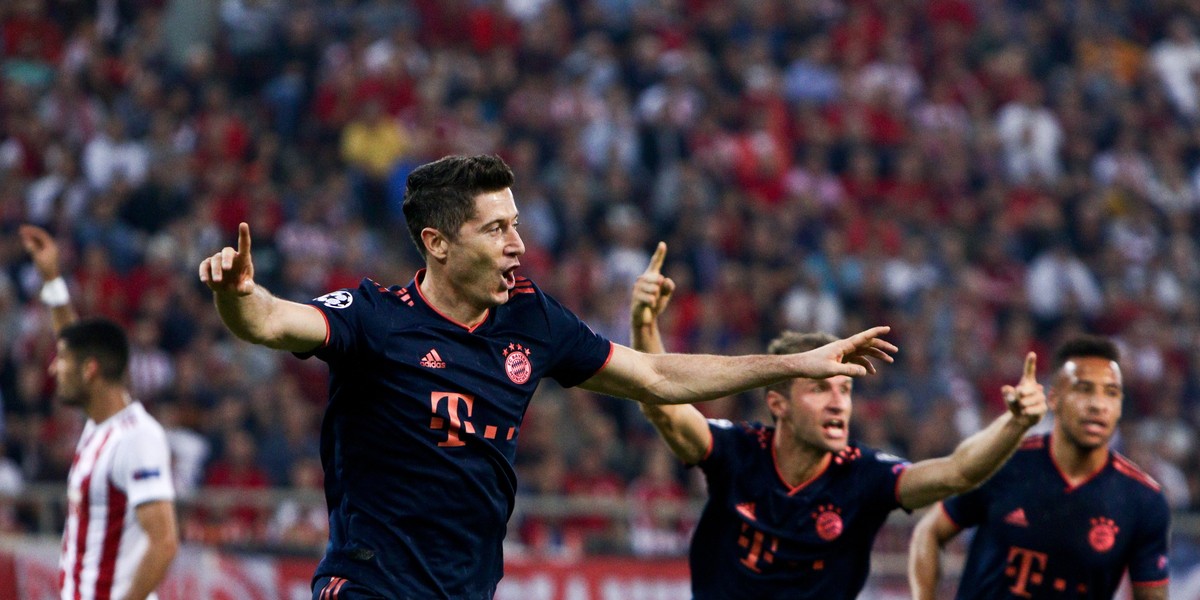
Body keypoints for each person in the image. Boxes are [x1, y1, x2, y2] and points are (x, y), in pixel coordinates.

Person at [197, 154, 898, 599]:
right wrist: (237, 294)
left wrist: (796, 363)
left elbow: (655, 375)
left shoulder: (530, 318)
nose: (519, 245)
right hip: (371, 584)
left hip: (468, 588)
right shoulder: (377, 319)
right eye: (496, 229)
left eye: (516, 224)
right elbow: (271, 321)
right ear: (438, 244)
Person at [629, 242, 1048, 599]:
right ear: (778, 404)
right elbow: (664, 409)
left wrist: (1014, 424)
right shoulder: (738, 451)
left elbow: (957, 473)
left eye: (845, 390)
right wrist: (645, 325)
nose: (838, 403)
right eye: (819, 389)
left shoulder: (863, 476)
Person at [908, 336, 1170, 600]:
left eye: (1110, 393)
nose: (1097, 404)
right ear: (1054, 399)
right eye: (1084, 389)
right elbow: (930, 531)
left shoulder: (1143, 500)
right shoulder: (1003, 463)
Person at [20, 225, 179, 600]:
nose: (53, 369)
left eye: (61, 361)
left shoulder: (137, 437)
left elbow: (164, 543)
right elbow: (74, 341)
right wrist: (53, 281)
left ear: (90, 371)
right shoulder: (101, 424)